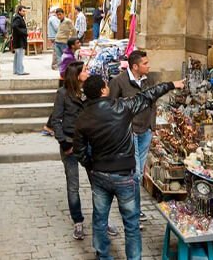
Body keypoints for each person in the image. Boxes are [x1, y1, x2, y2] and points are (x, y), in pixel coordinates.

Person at [74, 75, 183, 260]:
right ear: (102, 90)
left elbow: (80, 150)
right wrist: (172, 84)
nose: (108, 87)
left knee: (99, 221)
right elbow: (148, 95)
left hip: (100, 174)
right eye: (106, 85)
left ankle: (103, 256)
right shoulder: (121, 107)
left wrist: (91, 165)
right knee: (131, 224)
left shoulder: (83, 117)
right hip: (124, 174)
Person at [49, 62, 120, 241]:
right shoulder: (63, 94)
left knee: (98, 184)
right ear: (76, 74)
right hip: (70, 143)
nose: (88, 72)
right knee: (73, 185)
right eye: (85, 71)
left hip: (90, 144)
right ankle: (78, 221)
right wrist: (64, 143)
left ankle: (103, 220)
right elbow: (55, 120)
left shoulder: (90, 94)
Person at [109, 50, 154, 225]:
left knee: (139, 174)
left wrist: (152, 126)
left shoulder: (148, 80)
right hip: (130, 133)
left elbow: (153, 102)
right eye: (145, 63)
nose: (148, 66)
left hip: (145, 131)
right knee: (134, 174)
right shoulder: (118, 82)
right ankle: (133, 212)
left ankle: (134, 209)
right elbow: (112, 108)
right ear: (135, 66)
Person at [11, 5, 28, 75]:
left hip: (18, 40)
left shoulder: (18, 17)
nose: (24, 12)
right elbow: (14, 26)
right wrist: (24, 32)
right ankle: (20, 71)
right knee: (20, 56)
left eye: (25, 11)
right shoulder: (18, 18)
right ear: (19, 11)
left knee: (17, 56)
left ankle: (16, 70)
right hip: (19, 40)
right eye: (23, 11)